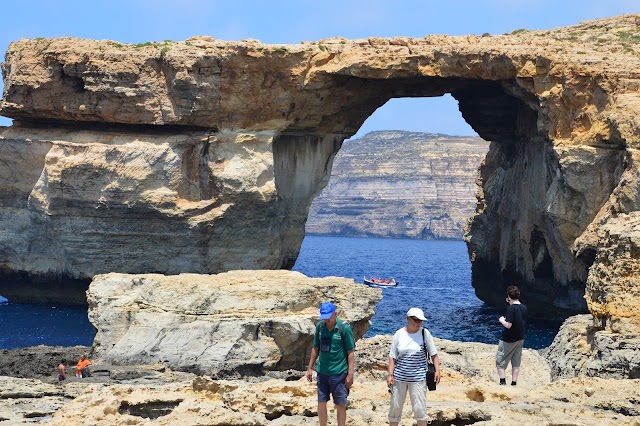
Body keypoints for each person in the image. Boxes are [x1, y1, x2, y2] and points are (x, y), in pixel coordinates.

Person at [387, 307, 440, 426]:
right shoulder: (399, 334)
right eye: (416, 320)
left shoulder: (424, 333)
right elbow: (393, 356)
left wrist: (437, 371)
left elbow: (434, 354)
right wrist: (390, 375)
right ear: (408, 319)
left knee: (420, 409)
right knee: (395, 408)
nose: (419, 323)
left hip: (418, 378)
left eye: (420, 320)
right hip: (399, 377)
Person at [306, 302, 355, 426]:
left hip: (339, 373)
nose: (326, 319)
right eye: (324, 317)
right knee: (321, 402)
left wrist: (350, 374)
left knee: (340, 404)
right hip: (322, 372)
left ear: (335, 314)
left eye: (329, 316)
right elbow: (315, 348)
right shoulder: (320, 327)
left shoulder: (344, 328)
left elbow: (350, 352)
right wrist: (310, 368)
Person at [496, 285, 528, 386]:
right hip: (520, 337)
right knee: (516, 361)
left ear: (509, 296)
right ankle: (514, 383)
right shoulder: (524, 307)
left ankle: (502, 382)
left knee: (500, 360)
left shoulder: (510, 308)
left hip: (509, 339)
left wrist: (501, 320)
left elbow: (509, 325)